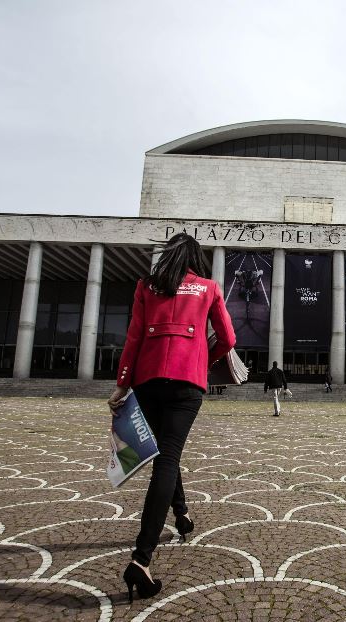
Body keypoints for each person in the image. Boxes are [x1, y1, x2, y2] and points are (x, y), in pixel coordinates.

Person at [108, 233, 236, 603]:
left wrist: (122, 384)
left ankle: (181, 516)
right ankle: (141, 558)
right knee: (168, 456)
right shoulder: (209, 288)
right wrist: (203, 361)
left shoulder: (147, 286)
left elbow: (133, 339)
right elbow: (228, 338)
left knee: (166, 452)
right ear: (197, 259)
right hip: (186, 385)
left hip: (148, 382)